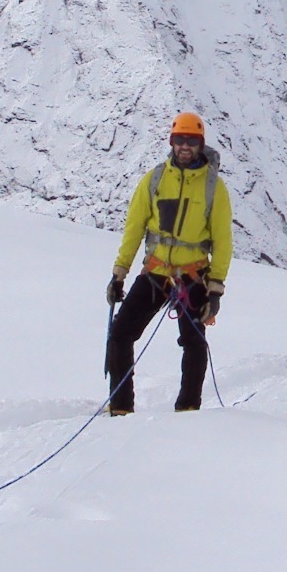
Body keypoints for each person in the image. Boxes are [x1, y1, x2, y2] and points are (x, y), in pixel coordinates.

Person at [104, 111, 233, 412]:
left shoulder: (214, 187)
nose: (184, 146)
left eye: (191, 140)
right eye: (179, 139)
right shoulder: (155, 179)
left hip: (193, 275)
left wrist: (215, 288)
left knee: (194, 341)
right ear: (171, 142)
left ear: (200, 144)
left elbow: (223, 240)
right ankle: (121, 406)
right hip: (156, 271)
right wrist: (119, 273)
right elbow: (134, 229)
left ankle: (188, 407)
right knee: (121, 333)